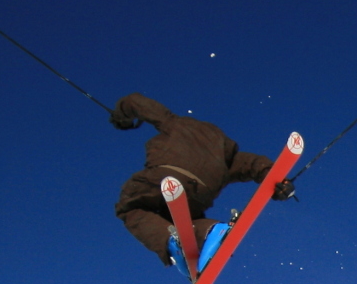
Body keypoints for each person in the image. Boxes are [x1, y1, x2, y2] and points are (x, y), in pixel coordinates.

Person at [109, 93, 296, 271]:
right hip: (202, 191)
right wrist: (279, 182)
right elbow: (253, 165)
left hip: (168, 175)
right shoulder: (225, 157)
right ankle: (211, 232)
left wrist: (121, 117)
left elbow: (135, 102)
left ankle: (174, 243)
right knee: (187, 222)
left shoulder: (174, 123)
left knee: (130, 207)